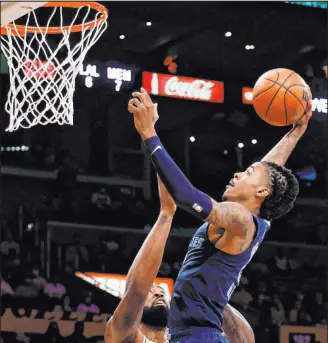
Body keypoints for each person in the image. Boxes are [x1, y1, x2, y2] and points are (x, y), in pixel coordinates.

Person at [128, 87, 312, 343]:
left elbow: (186, 197)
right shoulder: (255, 218)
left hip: (199, 336)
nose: (238, 174)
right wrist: (295, 134)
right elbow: (268, 171)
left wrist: (149, 134)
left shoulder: (239, 218)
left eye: (246, 173)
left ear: (261, 191)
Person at [106, 176, 255, 343]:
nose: (158, 292)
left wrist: (206, 296)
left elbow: (243, 340)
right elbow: (136, 291)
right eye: (152, 291)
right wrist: (166, 214)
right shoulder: (123, 333)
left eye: (161, 291)